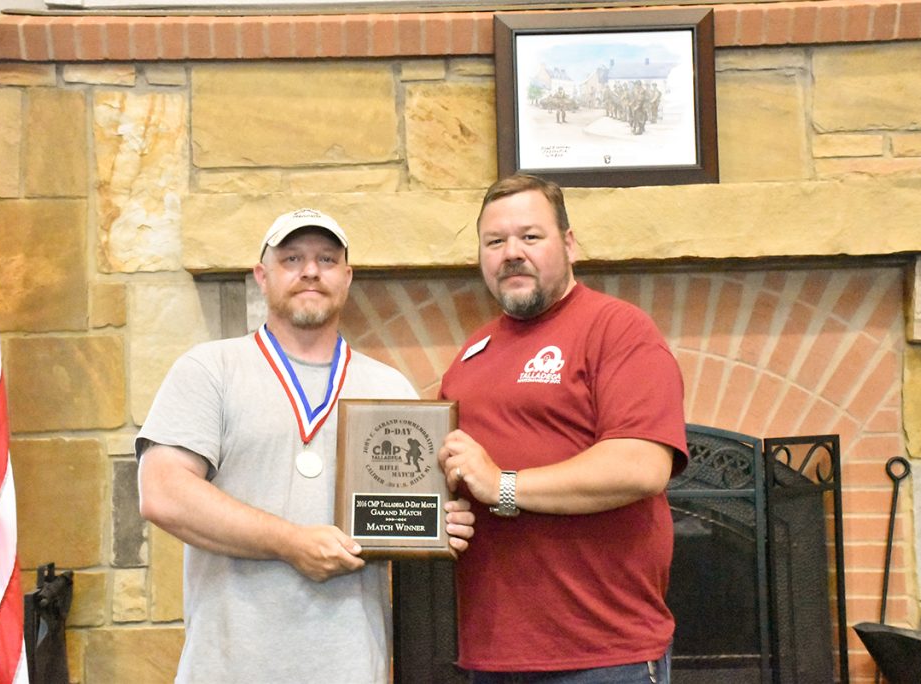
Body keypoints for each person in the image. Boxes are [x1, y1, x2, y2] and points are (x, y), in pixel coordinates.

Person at [136, 208, 475, 683]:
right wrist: (290, 542)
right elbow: (163, 492)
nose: (310, 270)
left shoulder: (388, 387)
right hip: (230, 667)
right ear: (262, 276)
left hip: (352, 666)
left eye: (327, 259)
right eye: (292, 258)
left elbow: (404, 510)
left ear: (347, 277)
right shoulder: (209, 369)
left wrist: (437, 522)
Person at [438, 174, 688, 683]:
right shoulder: (470, 353)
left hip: (602, 655)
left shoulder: (618, 329)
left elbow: (641, 466)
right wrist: (437, 517)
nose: (512, 253)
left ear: (569, 244)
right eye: (495, 241)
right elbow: (450, 476)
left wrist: (502, 486)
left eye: (530, 237)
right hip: (491, 654)